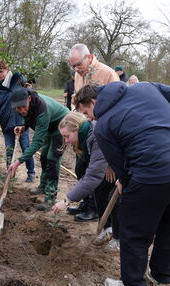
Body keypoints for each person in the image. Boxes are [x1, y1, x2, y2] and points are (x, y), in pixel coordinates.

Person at [78, 82, 170, 286]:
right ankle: (161, 278)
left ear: (94, 102)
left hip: (152, 173)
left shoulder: (103, 125)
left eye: (86, 112)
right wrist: (158, 123)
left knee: (133, 228)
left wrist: (125, 182)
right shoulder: (145, 88)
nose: (89, 118)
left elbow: (120, 167)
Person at [51, 110, 120, 253]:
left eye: (67, 136)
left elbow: (93, 176)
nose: (66, 140)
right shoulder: (84, 137)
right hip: (108, 163)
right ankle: (107, 229)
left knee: (118, 199)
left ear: (76, 129)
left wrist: (66, 200)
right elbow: (91, 172)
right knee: (100, 190)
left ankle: (118, 238)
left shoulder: (95, 135)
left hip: (123, 165)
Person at [68, 43, 119, 223]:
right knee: (81, 168)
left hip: (103, 135)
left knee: (96, 172)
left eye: (78, 65)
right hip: (85, 132)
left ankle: (95, 209)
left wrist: (111, 159)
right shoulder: (77, 75)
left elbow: (116, 112)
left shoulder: (107, 74)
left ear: (89, 58)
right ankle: (86, 202)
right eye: (72, 66)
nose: (75, 69)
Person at [8, 88, 69, 211]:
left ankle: (50, 198)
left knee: (53, 159)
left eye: (23, 107)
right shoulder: (26, 106)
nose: (21, 110)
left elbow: (37, 143)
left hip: (63, 125)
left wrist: (18, 162)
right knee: (44, 156)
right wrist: (24, 126)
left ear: (29, 99)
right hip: (50, 126)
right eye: (18, 108)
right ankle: (43, 185)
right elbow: (29, 115)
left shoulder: (42, 111)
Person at [0, 59, 35, 182]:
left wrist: (29, 86)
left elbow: (29, 88)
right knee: (9, 150)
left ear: (7, 70)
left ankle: (31, 173)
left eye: (1, 71)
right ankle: (10, 175)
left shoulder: (17, 79)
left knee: (26, 147)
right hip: (6, 122)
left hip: (21, 120)